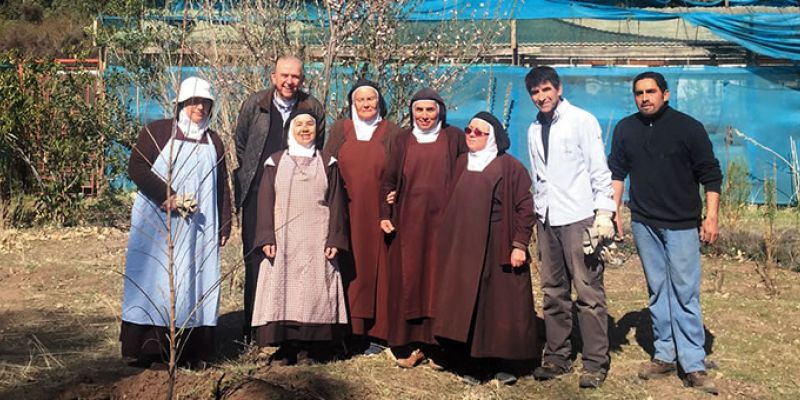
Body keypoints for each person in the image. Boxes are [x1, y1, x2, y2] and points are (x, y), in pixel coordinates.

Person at [608, 71, 722, 395]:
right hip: (644, 222)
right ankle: (665, 354)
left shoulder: (689, 128)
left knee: (685, 292)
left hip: (682, 223)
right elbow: (617, 171)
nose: (645, 98)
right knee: (658, 290)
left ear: (665, 94)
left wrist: (711, 217)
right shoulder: (626, 129)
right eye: (639, 93)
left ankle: (694, 363)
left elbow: (710, 175)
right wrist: (613, 210)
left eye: (651, 92)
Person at [121, 77, 232, 369]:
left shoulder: (214, 140)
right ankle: (153, 350)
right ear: (181, 103)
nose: (199, 107)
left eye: (205, 103)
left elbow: (222, 185)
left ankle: (192, 351)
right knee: (156, 279)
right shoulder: (157, 132)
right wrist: (167, 196)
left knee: (196, 281)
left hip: (200, 229)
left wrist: (225, 224)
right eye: (193, 102)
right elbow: (137, 167)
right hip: (160, 225)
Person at [525, 66, 615, 388]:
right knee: (552, 291)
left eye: (546, 89)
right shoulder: (534, 129)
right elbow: (540, 177)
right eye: (535, 92)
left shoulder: (581, 121)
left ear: (559, 89)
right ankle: (557, 357)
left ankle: (594, 363)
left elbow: (598, 170)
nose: (541, 97)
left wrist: (604, 213)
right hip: (547, 218)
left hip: (578, 216)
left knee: (588, 291)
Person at [433, 112, 537, 385]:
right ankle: (473, 362)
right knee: (470, 303)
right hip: (464, 245)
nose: (471, 135)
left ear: (492, 137)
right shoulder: (460, 163)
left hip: (497, 243)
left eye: (478, 132)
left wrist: (519, 244)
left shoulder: (511, 167)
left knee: (501, 306)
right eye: (468, 130)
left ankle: (506, 363)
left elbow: (525, 209)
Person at [234, 55, 325, 341]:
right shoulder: (255, 105)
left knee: (294, 260)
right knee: (255, 260)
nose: (289, 82)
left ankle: (289, 329)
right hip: (257, 192)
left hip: (297, 199)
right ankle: (254, 330)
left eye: (295, 76)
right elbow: (241, 145)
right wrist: (255, 179)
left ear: (302, 79)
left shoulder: (312, 107)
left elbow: (316, 147)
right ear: (273, 77)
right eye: (284, 75)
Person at [250, 110, 349, 365]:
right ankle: (286, 348)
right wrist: (266, 237)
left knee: (314, 291)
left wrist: (334, 240)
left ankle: (310, 349)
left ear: (317, 130)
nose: (305, 129)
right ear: (290, 129)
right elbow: (265, 202)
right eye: (299, 124)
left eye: (310, 125)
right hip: (283, 239)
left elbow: (337, 204)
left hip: (318, 237)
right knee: (283, 290)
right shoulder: (274, 162)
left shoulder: (328, 162)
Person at [378, 87, 467, 367]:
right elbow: (388, 180)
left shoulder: (454, 137)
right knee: (411, 280)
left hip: (444, 226)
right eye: (419, 110)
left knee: (439, 282)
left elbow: (467, 173)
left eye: (430, 110)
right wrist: (385, 212)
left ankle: (440, 345)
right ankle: (412, 342)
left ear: (440, 111)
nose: (425, 116)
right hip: (409, 225)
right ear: (411, 112)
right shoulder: (402, 139)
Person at [324, 80, 401, 354]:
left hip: (379, 215)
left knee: (380, 271)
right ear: (352, 104)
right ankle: (349, 332)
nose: (367, 104)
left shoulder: (391, 132)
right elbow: (326, 169)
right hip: (346, 213)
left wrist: (395, 196)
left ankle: (378, 333)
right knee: (349, 269)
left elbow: (402, 171)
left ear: (379, 102)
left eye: (371, 99)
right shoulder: (340, 129)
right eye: (361, 100)